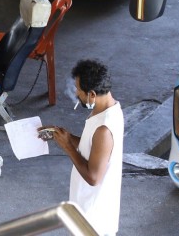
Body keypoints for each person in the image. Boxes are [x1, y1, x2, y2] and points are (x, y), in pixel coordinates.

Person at [41, 60, 123, 236]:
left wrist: (68, 147)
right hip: (87, 206)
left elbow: (94, 177)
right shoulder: (109, 108)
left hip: (94, 215)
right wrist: (67, 137)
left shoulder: (103, 129)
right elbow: (91, 145)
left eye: (79, 89)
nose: (76, 93)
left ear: (92, 94)